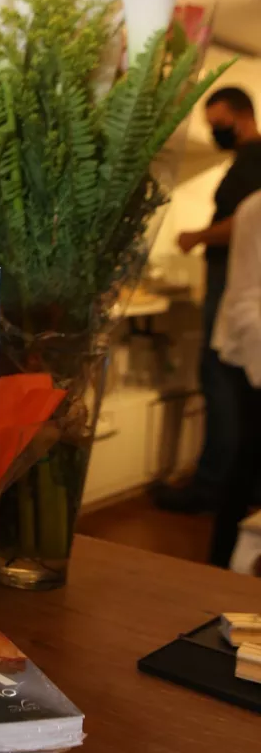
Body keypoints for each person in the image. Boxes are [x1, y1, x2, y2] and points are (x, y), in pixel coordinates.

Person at [154, 86, 261, 512]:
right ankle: (233, 484)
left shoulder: (253, 160)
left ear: (240, 115)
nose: (214, 131)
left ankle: (213, 487)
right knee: (229, 383)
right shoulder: (245, 161)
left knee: (221, 380)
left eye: (218, 123)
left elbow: (245, 221)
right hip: (232, 285)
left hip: (234, 287)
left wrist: (199, 236)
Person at [208, 190, 261, 567]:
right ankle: (219, 572)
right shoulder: (256, 209)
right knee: (243, 463)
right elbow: (246, 300)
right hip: (251, 357)